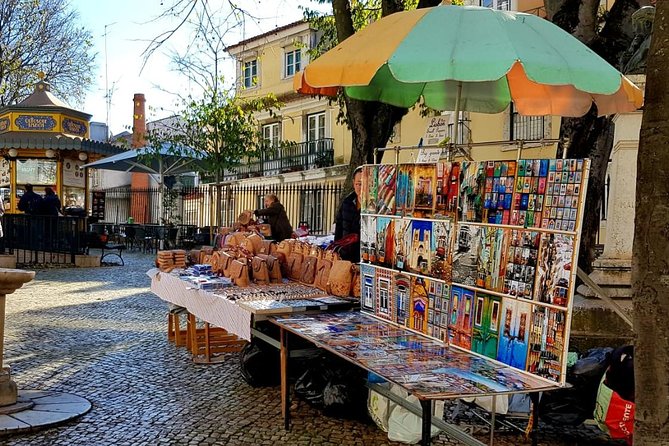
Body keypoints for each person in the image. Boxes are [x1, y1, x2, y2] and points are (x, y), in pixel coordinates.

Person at [334, 167, 362, 262]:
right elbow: (339, 226)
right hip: (345, 253)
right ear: (353, 183)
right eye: (358, 184)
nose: (360, 187)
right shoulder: (347, 202)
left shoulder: (374, 206)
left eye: (362, 184)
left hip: (362, 256)